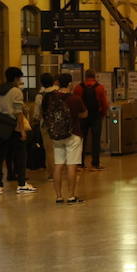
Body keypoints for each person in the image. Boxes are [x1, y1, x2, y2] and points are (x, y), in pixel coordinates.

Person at [0, 66, 38, 196]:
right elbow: (18, 113)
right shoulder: (16, 91)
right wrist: (22, 131)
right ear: (16, 78)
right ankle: (21, 184)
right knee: (21, 155)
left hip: (0, 127)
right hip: (13, 127)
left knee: (0, 157)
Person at [43, 73, 87, 204]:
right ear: (69, 84)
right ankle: (71, 196)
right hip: (73, 134)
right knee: (71, 165)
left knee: (58, 165)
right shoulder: (75, 98)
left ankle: (58, 196)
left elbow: (44, 113)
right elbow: (85, 114)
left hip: (56, 135)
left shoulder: (51, 98)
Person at [73, 72, 110, 171]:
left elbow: (76, 102)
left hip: (82, 116)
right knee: (96, 140)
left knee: (81, 140)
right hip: (96, 116)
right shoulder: (100, 87)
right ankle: (95, 164)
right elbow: (104, 103)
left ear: (85, 77)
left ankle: (80, 163)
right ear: (94, 76)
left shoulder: (78, 88)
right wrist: (102, 114)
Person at [36, 72, 59, 182]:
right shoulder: (58, 92)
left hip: (46, 125)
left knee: (49, 150)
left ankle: (52, 173)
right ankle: (62, 171)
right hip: (60, 124)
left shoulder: (40, 96)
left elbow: (36, 114)